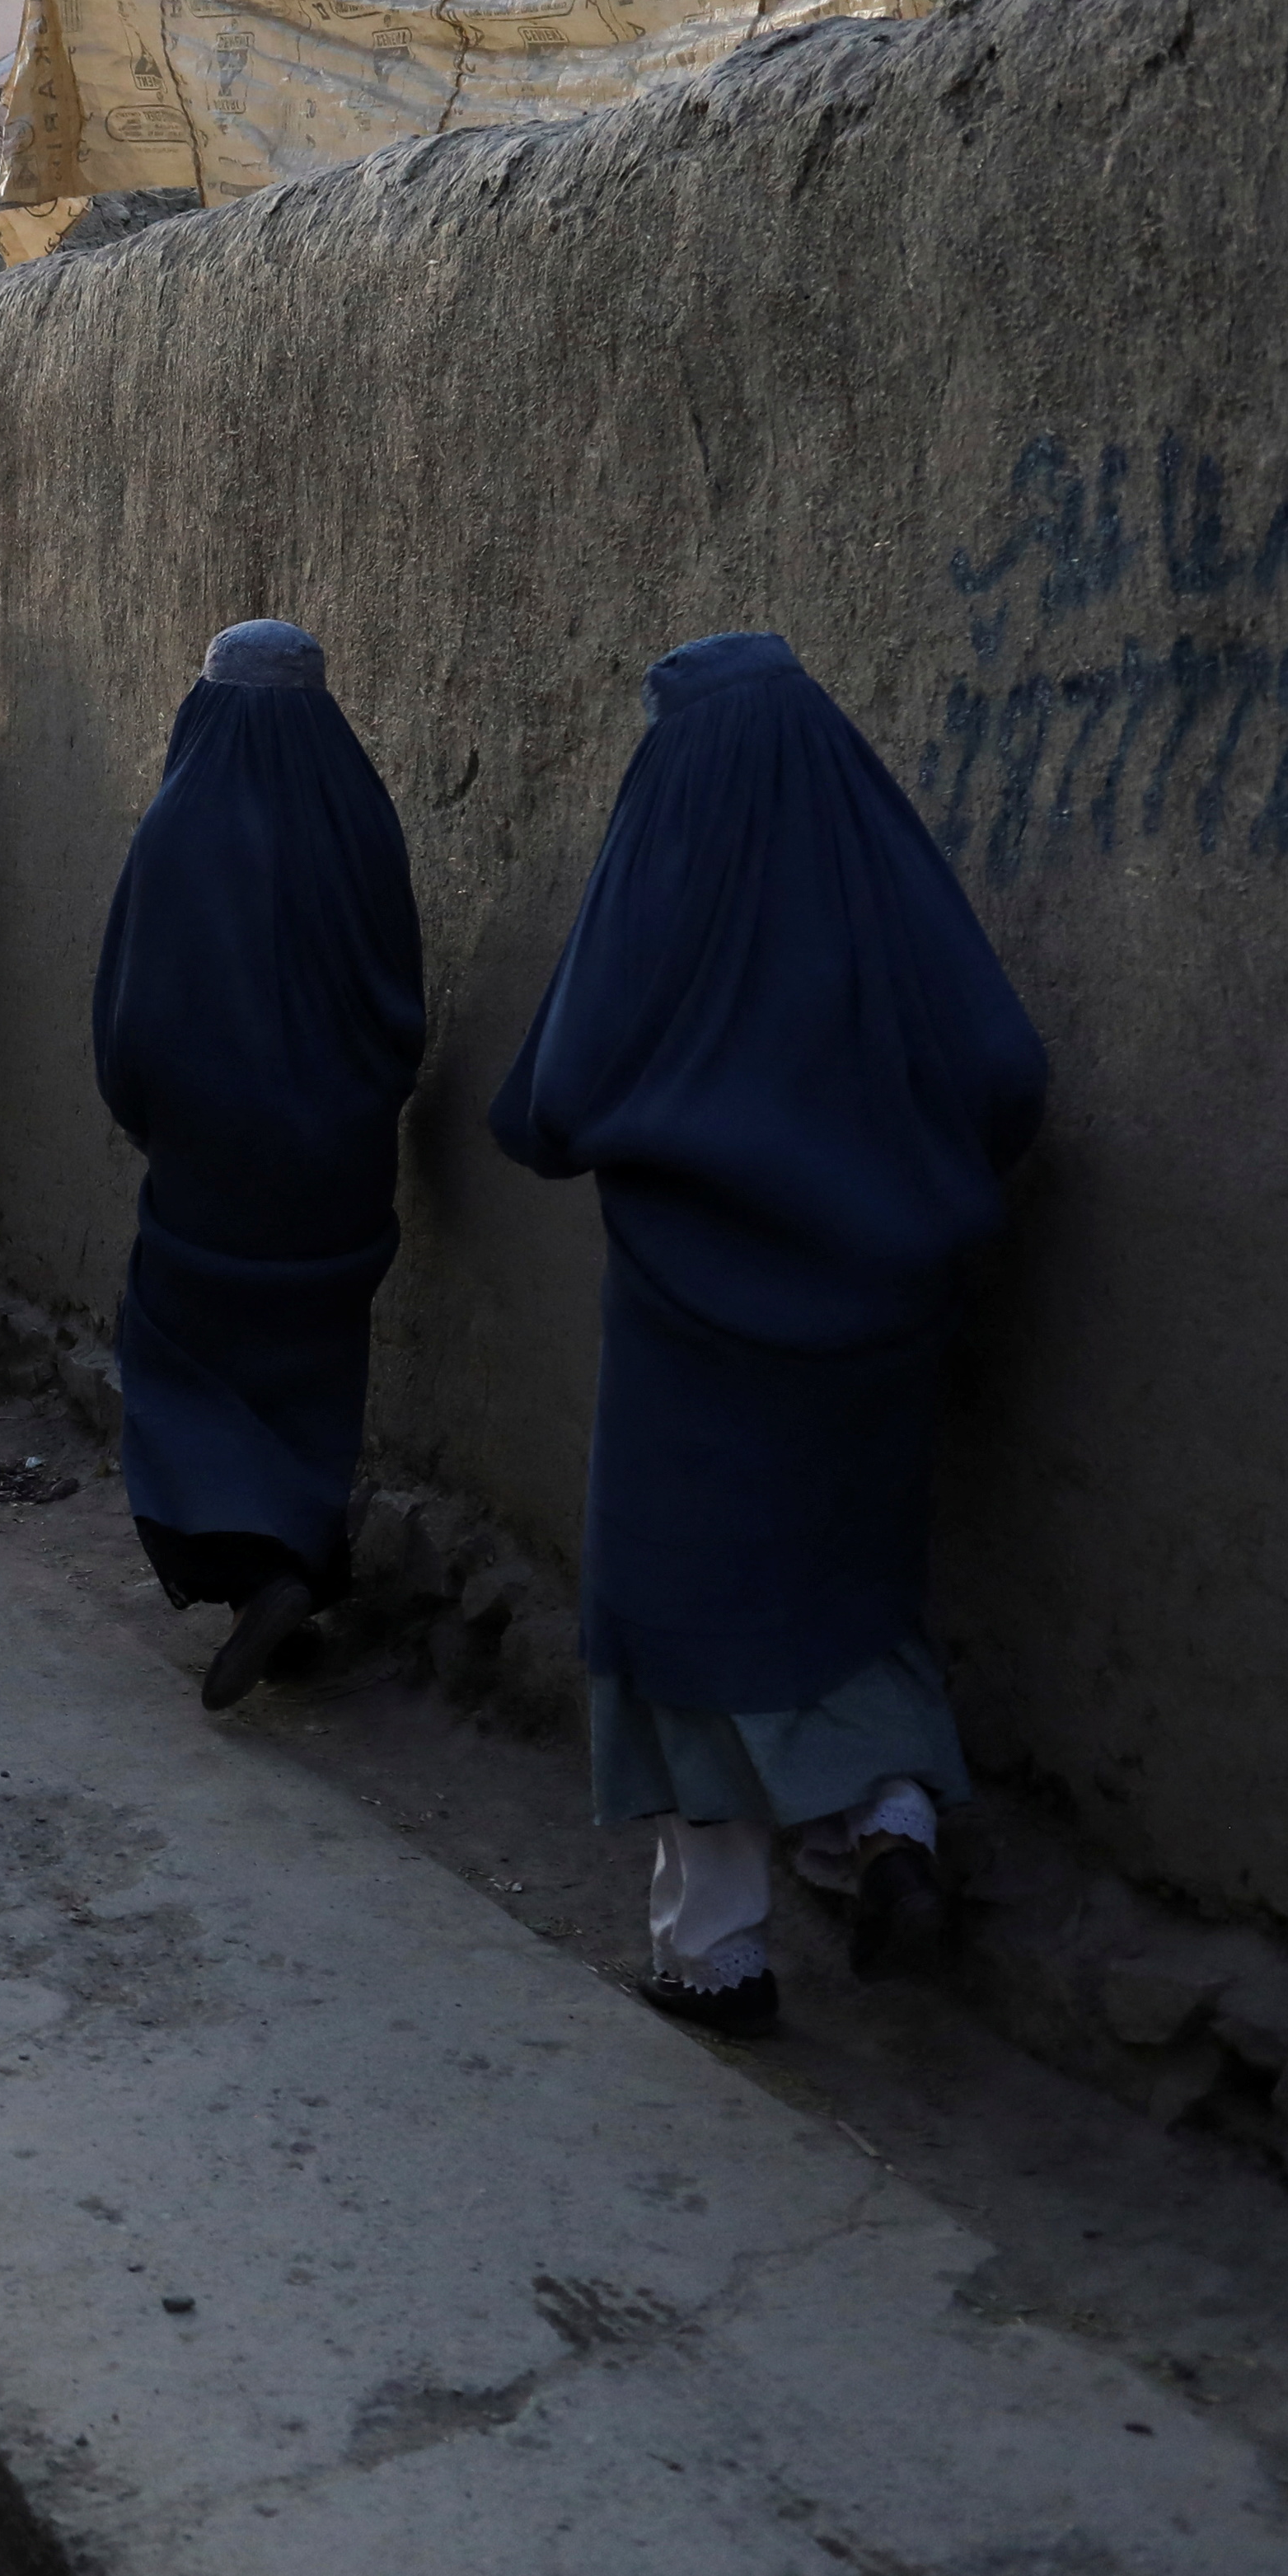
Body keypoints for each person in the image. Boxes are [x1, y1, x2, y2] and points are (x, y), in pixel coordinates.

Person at [493, 631, 1047, 2035]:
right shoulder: (877, 863)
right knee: (846, 1588)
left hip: (694, 1324)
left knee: (683, 1623)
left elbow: (559, 1090)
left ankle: (714, 1956)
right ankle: (893, 1811)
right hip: (883, 1325)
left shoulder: (668, 864)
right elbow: (1003, 1065)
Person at [91, 622, 427, 1711]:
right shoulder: (360, 819)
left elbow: (132, 1019)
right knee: (313, 1366)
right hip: (341, 1169)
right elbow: (400, 999)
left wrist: (157, 1116)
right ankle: (293, 1578)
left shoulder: (181, 824)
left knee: (183, 1362)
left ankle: (257, 1568)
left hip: (212, 1171)